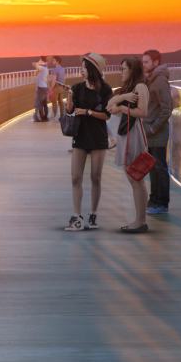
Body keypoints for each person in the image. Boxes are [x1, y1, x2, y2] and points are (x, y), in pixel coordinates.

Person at [64, 53, 114, 231]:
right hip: (81, 136)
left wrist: (88, 112)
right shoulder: (77, 88)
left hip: (98, 138)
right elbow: (69, 110)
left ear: (92, 70)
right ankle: (77, 217)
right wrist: (69, 97)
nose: (81, 70)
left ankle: (93, 214)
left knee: (95, 177)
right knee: (75, 177)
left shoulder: (106, 90)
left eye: (84, 67)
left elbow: (107, 116)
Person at [106, 57, 152, 232]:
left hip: (133, 135)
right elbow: (109, 105)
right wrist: (124, 97)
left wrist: (122, 108)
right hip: (126, 134)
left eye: (124, 69)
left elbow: (143, 112)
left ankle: (140, 221)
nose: (121, 72)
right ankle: (139, 220)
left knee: (136, 178)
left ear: (132, 70)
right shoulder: (127, 90)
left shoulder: (140, 87)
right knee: (133, 178)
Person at [140, 49, 175, 216]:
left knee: (159, 167)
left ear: (156, 62)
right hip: (150, 133)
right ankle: (154, 200)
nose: (143, 64)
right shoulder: (150, 80)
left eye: (146, 62)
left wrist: (153, 127)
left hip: (157, 133)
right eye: (143, 62)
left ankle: (161, 203)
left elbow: (167, 108)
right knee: (153, 167)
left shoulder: (160, 80)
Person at [32, 56, 52, 122]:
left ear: (41, 60)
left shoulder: (42, 68)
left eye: (39, 60)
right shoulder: (46, 68)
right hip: (45, 87)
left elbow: (34, 65)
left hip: (41, 88)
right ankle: (45, 117)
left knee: (38, 103)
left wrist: (38, 63)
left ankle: (37, 117)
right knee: (44, 103)